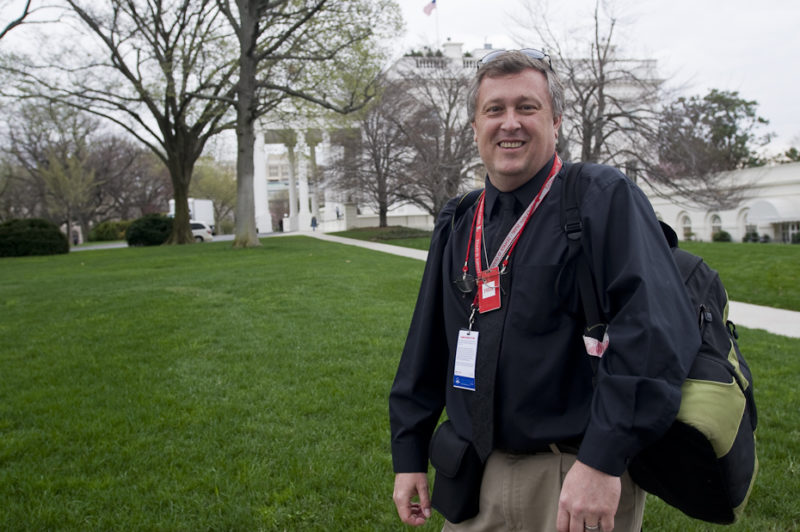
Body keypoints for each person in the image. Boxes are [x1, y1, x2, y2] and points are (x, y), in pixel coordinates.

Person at [389, 49, 701, 531]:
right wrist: (409, 453)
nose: (509, 123)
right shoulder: (458, 223)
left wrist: (602, 460)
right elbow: (426, 349)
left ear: (555, 121)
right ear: (475, 127)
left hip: (575, 481)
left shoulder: (600, 198)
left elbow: (655, 335)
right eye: (494, 110)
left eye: (526, 107)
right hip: (474, 479)